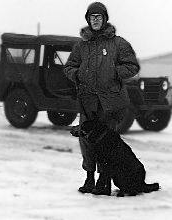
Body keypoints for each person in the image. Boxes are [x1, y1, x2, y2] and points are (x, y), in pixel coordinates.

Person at [64, 2, 140, 195]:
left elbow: (132, 66)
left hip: (110, 103)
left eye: (99, 17)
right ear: (88, 20)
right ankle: (89, 178)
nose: (95, 20)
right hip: (87, 102)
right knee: (86, 141)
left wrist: (115, 72)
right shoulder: (81, 46)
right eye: (92, 17)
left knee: (107, 143)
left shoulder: (118, 43)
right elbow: (69, 67)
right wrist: (78, 74)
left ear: (105, 19)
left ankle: (104, 181)